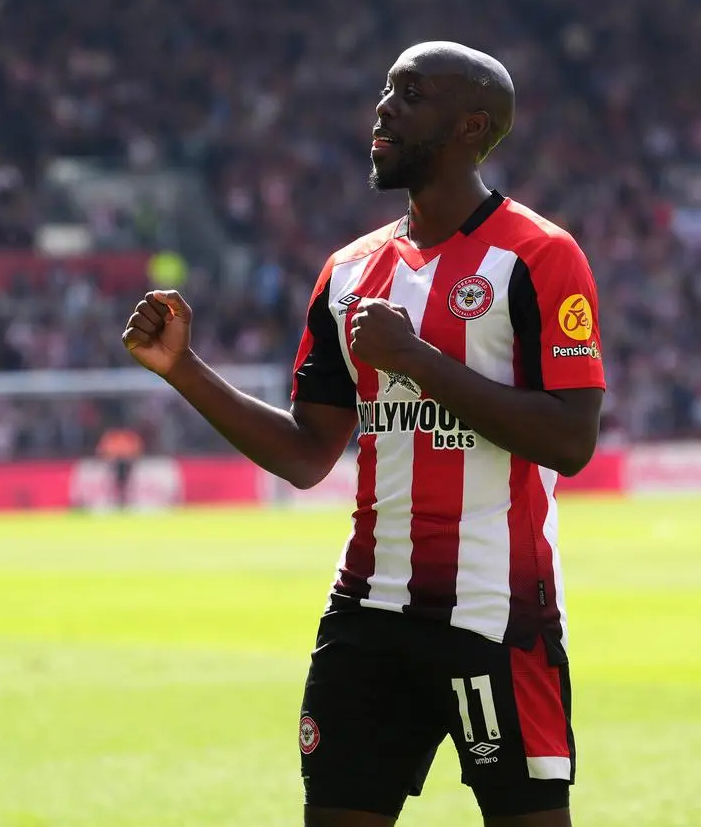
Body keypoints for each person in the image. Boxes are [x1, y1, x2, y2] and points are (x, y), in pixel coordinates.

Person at [122, 41, 605, 827]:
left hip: (496, 615)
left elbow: (571, 439)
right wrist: (183, 369)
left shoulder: (540, 257)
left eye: (411, 95)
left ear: (470, 126)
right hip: (367, 611)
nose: (383, 108)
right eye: (386, 90)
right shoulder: (348, 271)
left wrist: (416, 360)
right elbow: (306, 452)